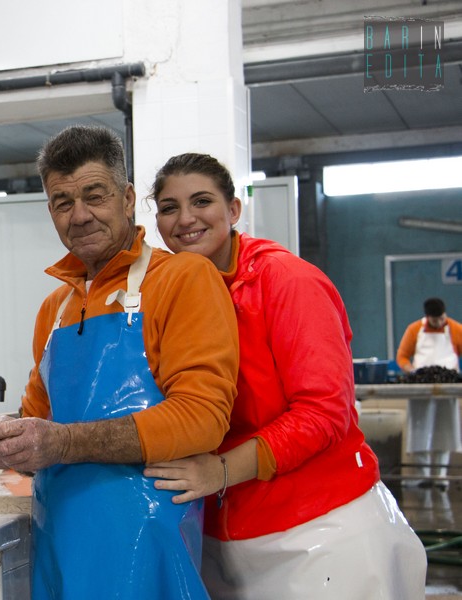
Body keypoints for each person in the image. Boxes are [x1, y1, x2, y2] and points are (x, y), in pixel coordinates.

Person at [145, 152, 427, 599]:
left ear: (233, 209)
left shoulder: (287, 281)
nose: (185, 219)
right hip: (224, 532)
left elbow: (324, 412)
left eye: (201, 201)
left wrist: (221, 471)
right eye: (169, 207)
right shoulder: (170, 293)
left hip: (323, 531)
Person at [0, 127, 239, 600]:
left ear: (128, 199)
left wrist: (62, 443)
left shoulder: (184, 278)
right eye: (62, 202)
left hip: (147, 545)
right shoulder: (54, 308)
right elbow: (38, 417)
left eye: (95, 196)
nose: (79, 216)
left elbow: (203, 419)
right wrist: (7, 440)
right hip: (59, 539)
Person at [396, 297, 462, 487]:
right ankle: (423, 476)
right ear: (427, 317)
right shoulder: (414, 330)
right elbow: (402, 356)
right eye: (435, 320)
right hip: (421, 389)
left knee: (444, 430)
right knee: (420, 430)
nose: (439, 322)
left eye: (441, 318)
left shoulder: (456, 329)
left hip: (447, 389)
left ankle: (441, 477)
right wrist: (412, 372)